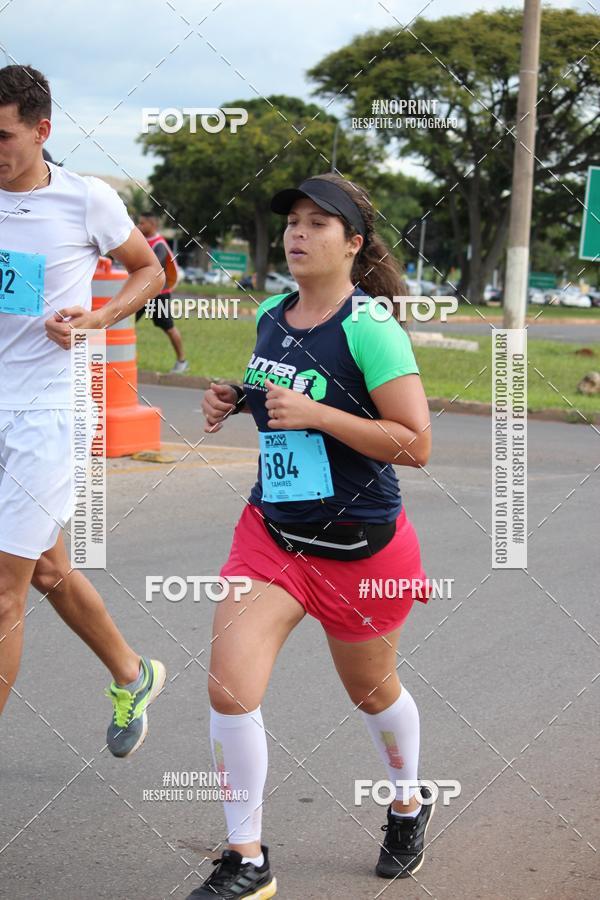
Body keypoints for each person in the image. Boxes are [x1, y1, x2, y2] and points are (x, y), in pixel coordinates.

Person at [194, 173, 434, 898]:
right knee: (230, 691)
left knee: (370, 690)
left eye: (317, 224)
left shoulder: (370, 328)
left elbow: (416, 444)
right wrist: (236, 401)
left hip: (360, 549)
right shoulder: (272, 312)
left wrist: (320, 416)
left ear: (352, 243)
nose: (298, 233)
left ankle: (407, 802)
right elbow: (280, 396)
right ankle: (247, 860)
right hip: (272, 537)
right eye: (293, 221)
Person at [0, 64, 166, 756]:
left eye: (2, 135)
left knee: (4, 593)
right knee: (45, 571)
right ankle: (134, 671)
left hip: (47, 415)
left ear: (41, 131)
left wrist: (99, 318)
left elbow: (151, 269)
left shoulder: (85, 201)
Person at [136, 211, 189, 374]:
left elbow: (152, 266)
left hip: (159, 294)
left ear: (153, 225)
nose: (139, 226)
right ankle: (126, 359)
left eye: (143, 223)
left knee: (168, 327)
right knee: (126, 325)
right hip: (141, 292)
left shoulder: (159, 244)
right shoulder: (143, 241)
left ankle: (182, 361)